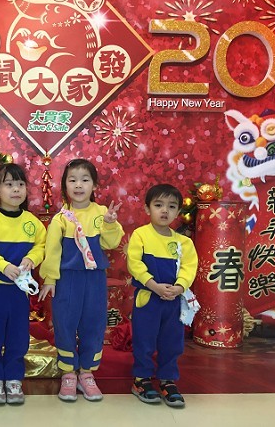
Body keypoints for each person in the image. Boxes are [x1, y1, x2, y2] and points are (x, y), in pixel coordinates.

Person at [38, 159, 123, 402]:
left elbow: (111, 243)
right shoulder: (61, 218)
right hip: (67, 279)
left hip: (94, 280)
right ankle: (68, 373)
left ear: (94, 185)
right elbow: (52, 251)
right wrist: (50, 279)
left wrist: (110, 224)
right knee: (64, 323)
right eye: (72, 180)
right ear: (64, 185)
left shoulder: (102, 213)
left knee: (94, 323)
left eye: (85, 180)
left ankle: (86, 373)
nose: (78, 185)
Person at [0, 163, 46, 405]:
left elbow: (42, 246)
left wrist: (32, 258)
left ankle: (14, 379)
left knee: (18, 337)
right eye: (9, 184)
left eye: (20, 184)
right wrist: (3, 266)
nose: (16, 189)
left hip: (19, 292)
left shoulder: (32, 222)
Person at [126, 183, 198, 408]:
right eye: (158, 205)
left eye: (171, 206)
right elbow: (134, 263)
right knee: (144, 340)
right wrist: (154, 285)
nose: (165, 210)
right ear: (147, 208)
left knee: (172, 342)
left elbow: (189, 267)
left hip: (173, 301)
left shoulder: (183, 242)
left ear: (178, 212)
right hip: (148, 299)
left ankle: (167, 380)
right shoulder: (141, 235)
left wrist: (179, 287)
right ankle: (142, 379)